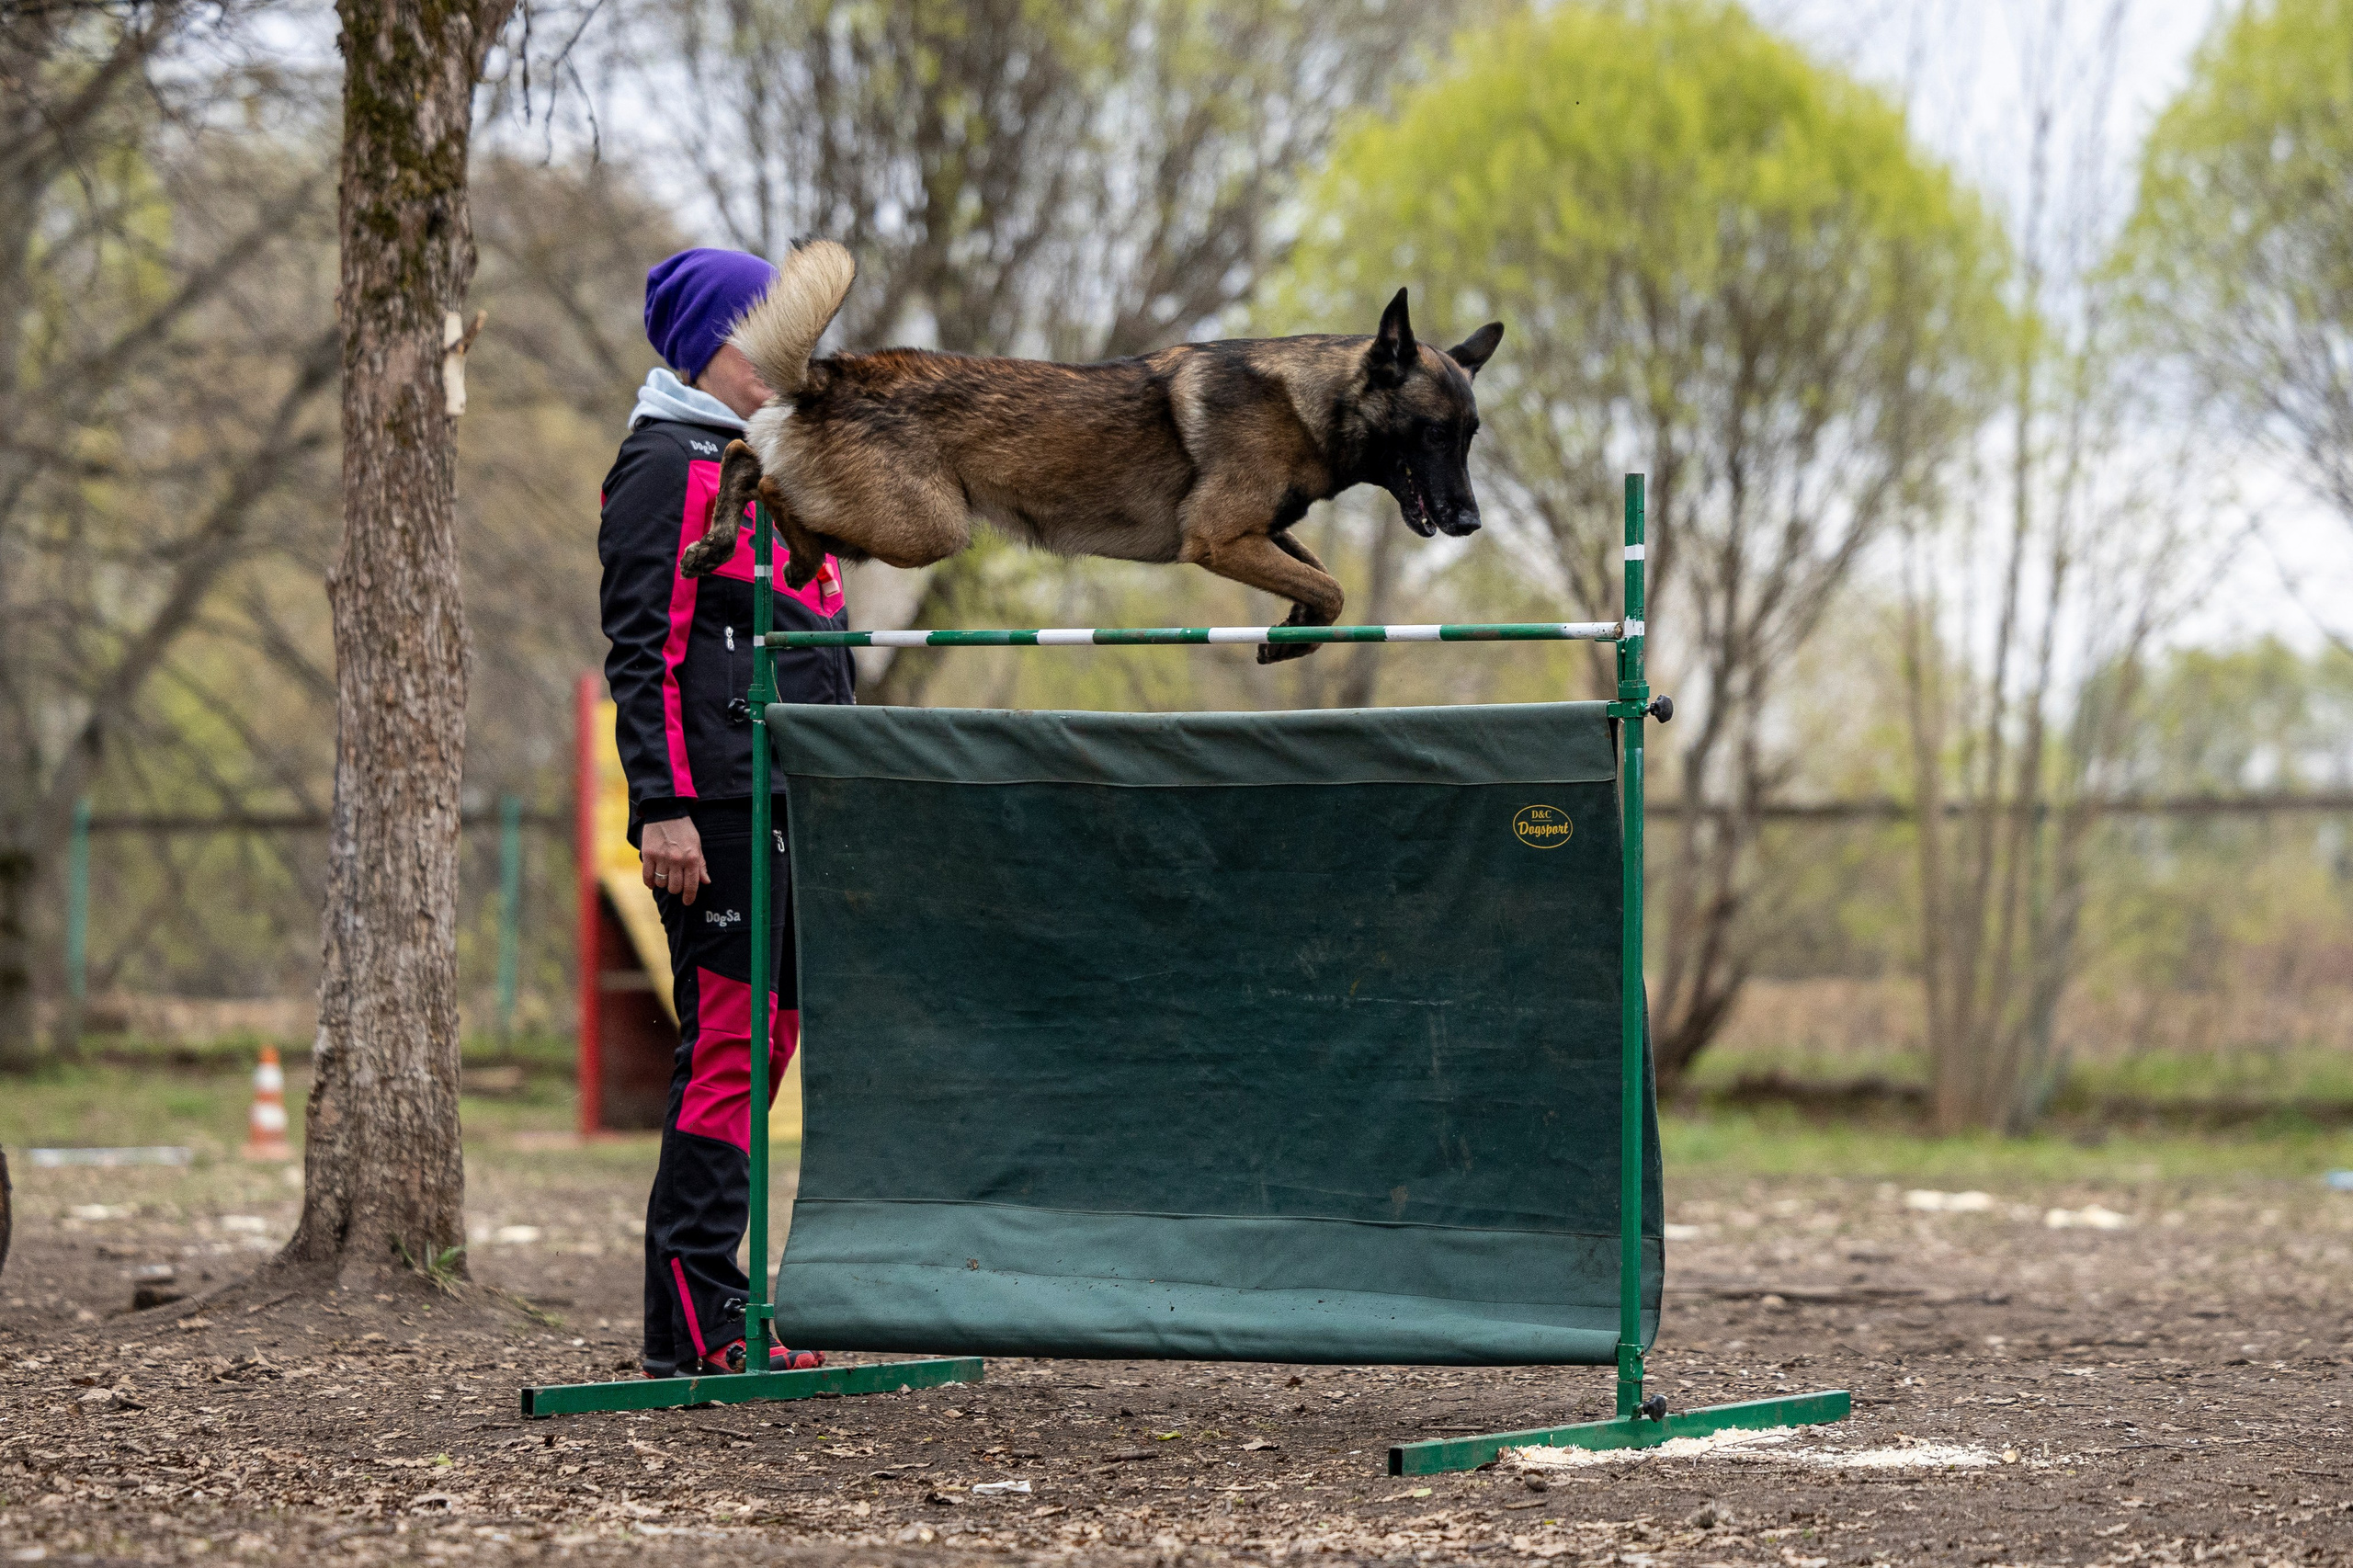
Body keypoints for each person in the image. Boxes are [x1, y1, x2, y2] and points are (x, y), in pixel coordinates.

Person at [600, 246, 855, 1377]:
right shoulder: (664, 462)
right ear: (720, 340)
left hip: (800, 794)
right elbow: (643, 646)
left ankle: (723, 1306)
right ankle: (694, 1323)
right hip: (717, 807)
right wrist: (662, 806)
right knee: (728, 1046)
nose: (795, 355)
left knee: (772, 1039)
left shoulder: (771, 459)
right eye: (776, 334)